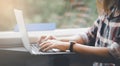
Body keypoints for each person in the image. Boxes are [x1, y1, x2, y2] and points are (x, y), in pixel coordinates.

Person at [37, 0, 120, 66]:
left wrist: (70, 46)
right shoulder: (108, 11)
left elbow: (112, 54)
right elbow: (88, 36)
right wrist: (58, 41)